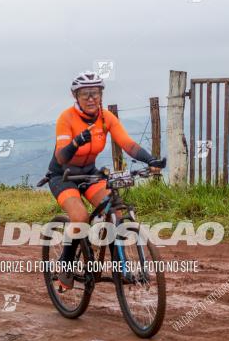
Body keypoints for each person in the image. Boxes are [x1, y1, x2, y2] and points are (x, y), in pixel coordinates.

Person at [48, 71, 165, 290]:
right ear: (76, 97)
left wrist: (151, 160)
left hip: (90, 173)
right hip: (63, 176)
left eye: (95, 93)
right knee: (80, 217)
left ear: (101, 95)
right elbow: (60, 156)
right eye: (85, 94)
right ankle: (65, 263)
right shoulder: (66, 118)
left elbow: (127, 144)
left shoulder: (106, 118)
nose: (91, 98)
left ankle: (120, 266)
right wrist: (76, 142)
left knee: (115, 212)